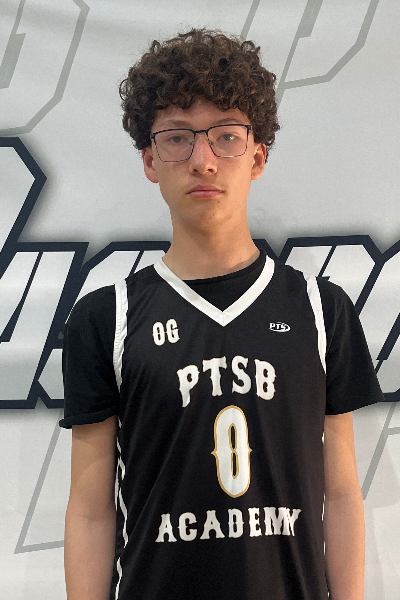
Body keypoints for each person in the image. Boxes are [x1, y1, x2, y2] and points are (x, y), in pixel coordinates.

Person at [60, 28, 384, 600]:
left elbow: (339, 495)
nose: (203, 161)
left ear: (258, 156)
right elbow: (90, 511)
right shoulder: (104, 319)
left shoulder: (321, 309)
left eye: (226, 136)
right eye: (177, 138)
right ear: (149, 160)